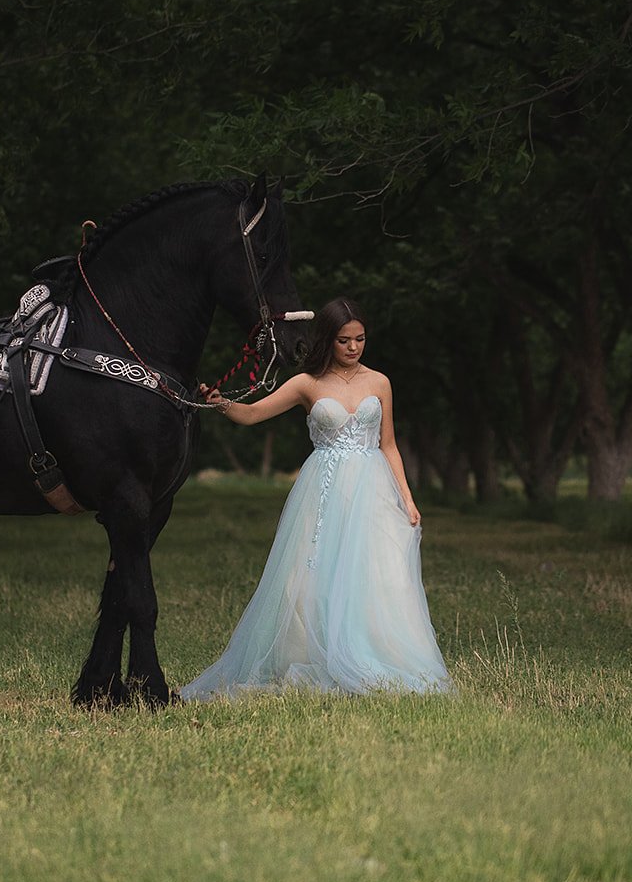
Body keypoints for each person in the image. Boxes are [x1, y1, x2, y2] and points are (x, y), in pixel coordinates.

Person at [181, 297, 453, 700]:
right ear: (328, 339)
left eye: (360, 339)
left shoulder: (379, 382)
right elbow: (254, 414)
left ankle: (375, 652)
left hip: (373, 487)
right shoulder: (307, 384)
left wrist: (407, 499)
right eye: (344, 340)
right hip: (323, 487)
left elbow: (389, 445)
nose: (353, 347)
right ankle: (313, 651)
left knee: (375, 571)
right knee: (311, 573)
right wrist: (221, 403)